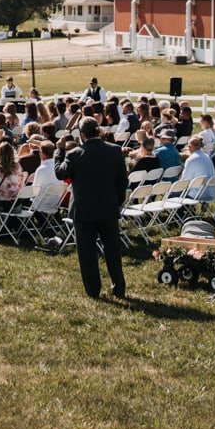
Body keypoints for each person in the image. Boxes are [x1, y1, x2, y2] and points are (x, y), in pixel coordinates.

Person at [53, 117, 128, 301]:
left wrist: (59, 150)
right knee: (112, 250)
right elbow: (122, 181)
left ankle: (93, 289)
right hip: (108, 207)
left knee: (87, 253)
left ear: (82, 134)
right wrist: (117, 201)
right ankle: (118, 287)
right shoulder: (115, 150)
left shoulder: (74, 154)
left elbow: (59, 173)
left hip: (84, 210)